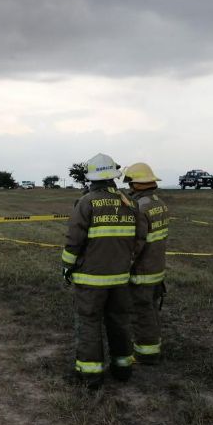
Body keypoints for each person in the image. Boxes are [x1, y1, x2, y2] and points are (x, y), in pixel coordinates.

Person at [62, 153, 147, 390]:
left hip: (91, 279)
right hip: (120, 278)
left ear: (92, 179)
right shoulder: (129, 203)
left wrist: (67, 266)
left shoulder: (87, 202)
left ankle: (90, 376)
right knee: (119, 321)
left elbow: (74, 239)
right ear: (113, 177)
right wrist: (128, 259)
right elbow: (140, 238)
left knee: (89, 322)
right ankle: (122, 368)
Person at [122, 163, 169, 364]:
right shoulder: (159, 203)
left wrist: (124, 264)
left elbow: (137, 243)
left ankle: (146, 354)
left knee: (142, 312)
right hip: (157, 268)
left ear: (136, 184)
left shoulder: (140, 208)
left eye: (130, 183)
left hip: (142, 271)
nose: (129, 187)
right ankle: (154, 344)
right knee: (150, 309)